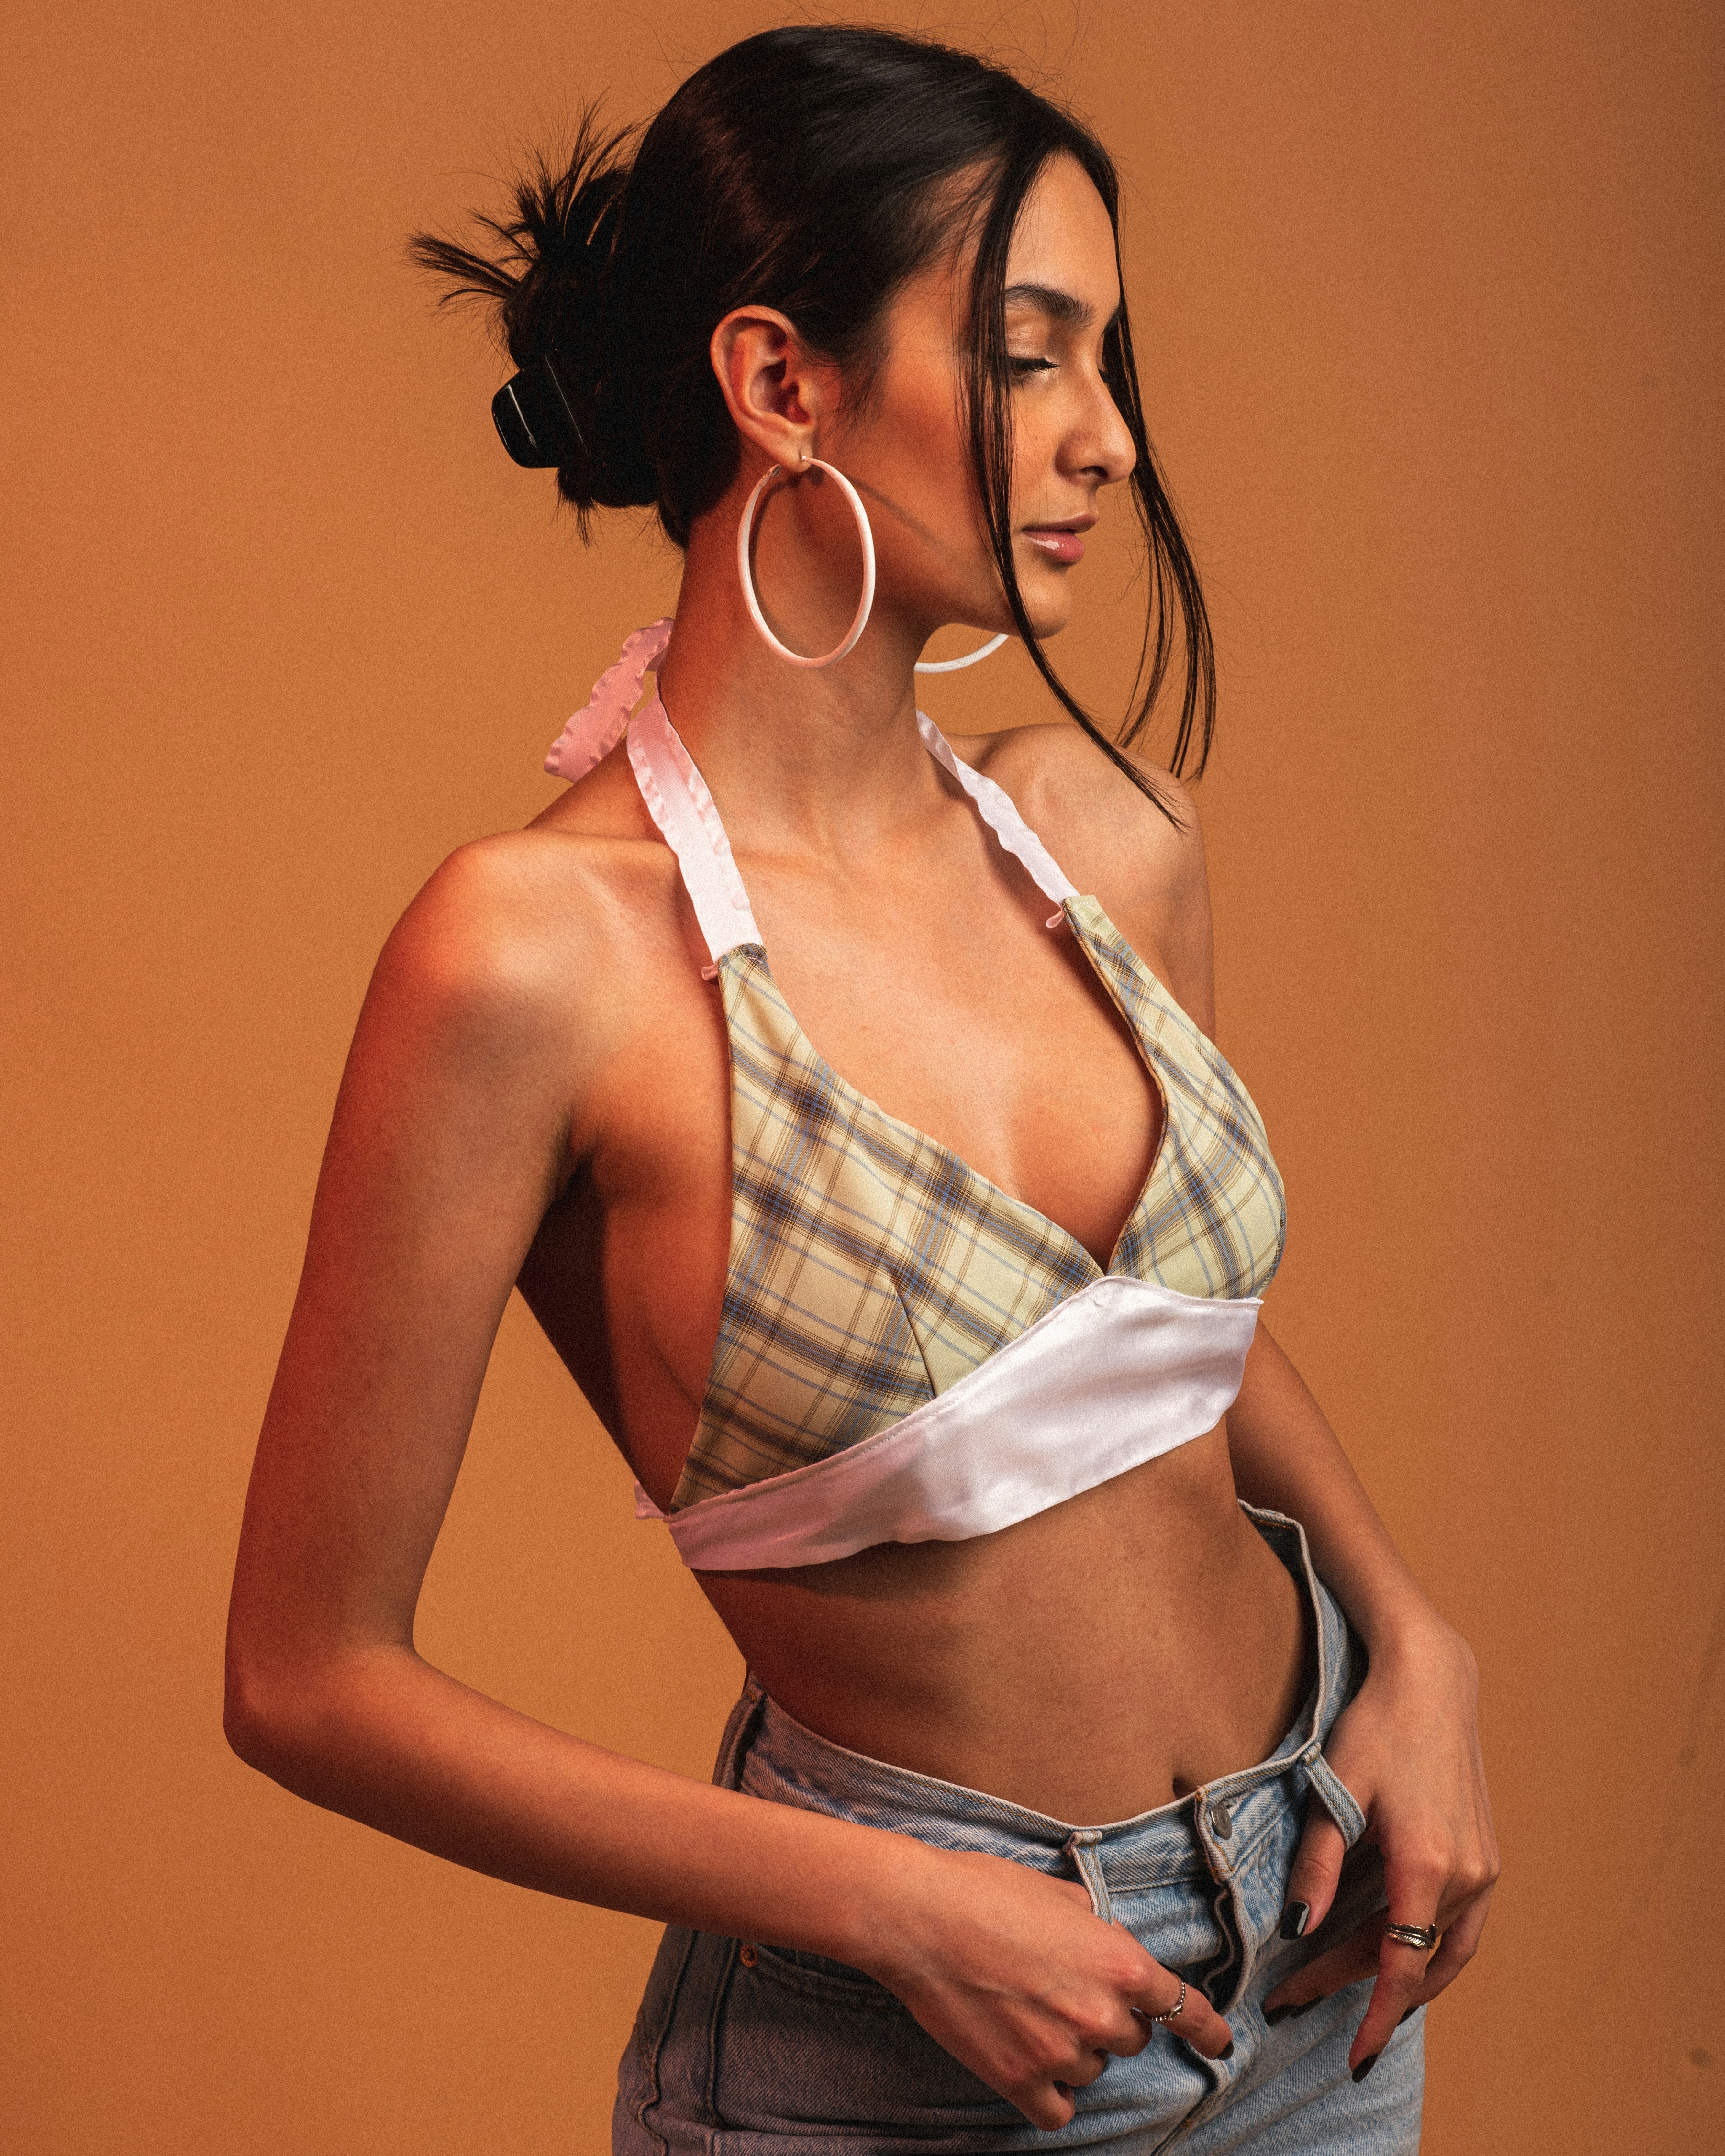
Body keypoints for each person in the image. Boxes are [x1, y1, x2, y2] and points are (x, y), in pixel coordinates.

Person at [224, 25, 1497, 2153]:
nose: (1102, 437)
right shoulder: (537, 955)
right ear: (778, 383)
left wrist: (1415, 1636)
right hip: (901, 2059)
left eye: (1111, 359)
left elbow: (1164, 1360)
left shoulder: (1102, 839)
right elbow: (305, 1675)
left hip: (1313, 1959)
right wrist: (890, 1901)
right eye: (1028, 353)